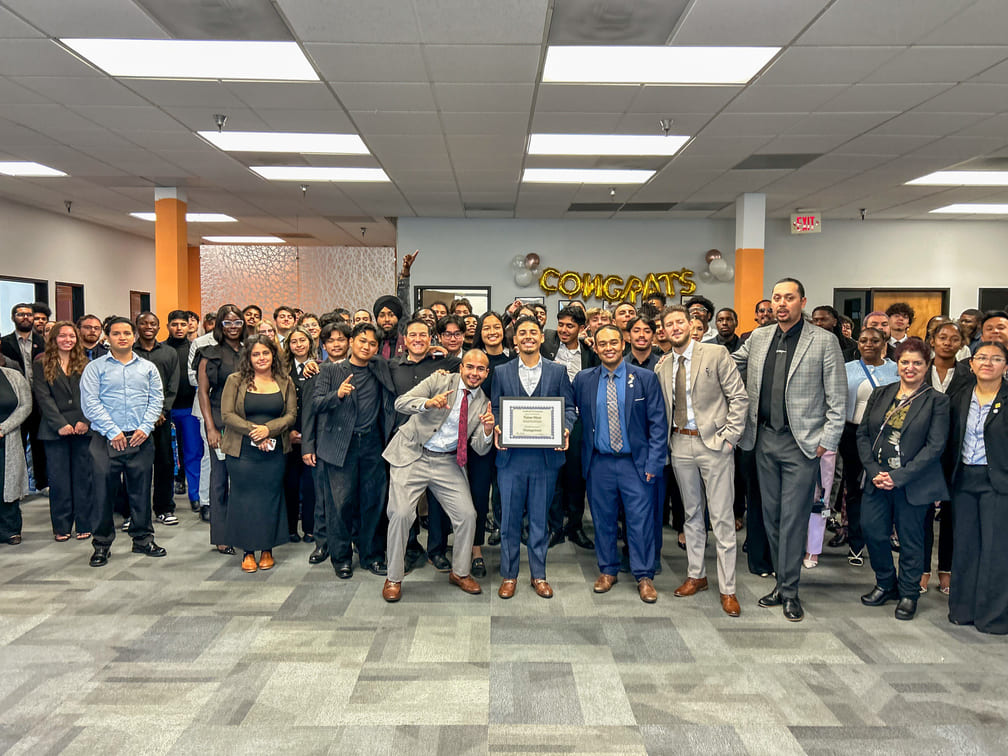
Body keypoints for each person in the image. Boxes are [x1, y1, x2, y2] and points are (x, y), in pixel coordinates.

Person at [732, 278, 847, 622]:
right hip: (763, 439)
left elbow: (838, 399)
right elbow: (729, 365)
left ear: (802, 302)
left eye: (789, 298)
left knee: (794, 518)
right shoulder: (759, 337)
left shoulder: (823, 341)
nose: (781, 303)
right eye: (776, 298)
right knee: (771, 516)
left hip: (801, 444)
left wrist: (827, 441)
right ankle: (781, 585)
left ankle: (791, 591)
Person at [381, 350, 496, 601]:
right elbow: (400, 403)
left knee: (467, 515)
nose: (474, 373)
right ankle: (394, 577)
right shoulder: (439, 380)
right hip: (413, 453)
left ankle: (460, 572)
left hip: (447, 461)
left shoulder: (482, 401)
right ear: (461, 367)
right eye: (470, 367)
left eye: (480, 369)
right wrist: (427, 403)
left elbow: (479, 447)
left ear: (487, 373)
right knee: (400, 514)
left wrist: (488, 430)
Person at [657, 306, 748, 616]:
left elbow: (739, 398)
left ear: (691, 324)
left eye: (679, 322)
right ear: (664, 331)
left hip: (714, 444)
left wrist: (730, 437)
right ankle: (696, 575)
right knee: (692, 514)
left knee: (721, 518)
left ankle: (728, 588)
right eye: (669, 324)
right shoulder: (663, 365)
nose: (675, 327)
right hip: (680, 443)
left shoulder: (716, 354)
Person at [572, 323, 667, 603]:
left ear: (623, 344)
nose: (609, 348)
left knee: (640, 522)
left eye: (613, 342)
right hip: (599, 463)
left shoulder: (645, 378)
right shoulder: (584, 379)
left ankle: (644, 576)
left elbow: (658, 424)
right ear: (595, 347)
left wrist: (653, 464)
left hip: (635, 464)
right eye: (602, 344)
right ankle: (608, 570)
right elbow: (570, 412)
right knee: (603, 520)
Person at [856, 338, 949, 621]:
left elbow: (935, 446)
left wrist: (898, 477)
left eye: (917, 363)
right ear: (897, 364)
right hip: (877, 479)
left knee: (911, 539)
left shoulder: (937, 401)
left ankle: (909, 592)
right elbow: (863, 434)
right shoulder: (880, 394)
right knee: (872, 530)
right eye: (905, 362)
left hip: (912, 482)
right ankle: (886, 583)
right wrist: (874, 471)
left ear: (927, 366)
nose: (910, 368)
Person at [491, 315, 576, 600]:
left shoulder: (558, 371)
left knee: (540, 519)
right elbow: (496, 408)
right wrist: (498, 425)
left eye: (533, 332)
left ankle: (539, 575)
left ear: (541, 337)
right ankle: (509, 575)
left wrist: (565, 428)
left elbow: (569, 409)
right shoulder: (501, 372)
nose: (528, 336)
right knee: (509, 520)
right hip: (511, 459)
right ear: (514, 340)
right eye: (522, 332)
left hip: (544, 459)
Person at [303, 323, 396, 579]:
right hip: (340, 445)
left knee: (373, 503)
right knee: (340, 505)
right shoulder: (330, 370)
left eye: (372, 344)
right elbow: (316, 403)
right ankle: (341, 558)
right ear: (351, 342)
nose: (367, 347)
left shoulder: (379, 367)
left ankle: (372, 556)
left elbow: (404, 362)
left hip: (372, 444)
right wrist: (338, 395)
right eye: (362, 341)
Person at [80, 317, 166, 567]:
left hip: (140, 437)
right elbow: (90, 403)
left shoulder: (148, 368)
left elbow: (156, 400)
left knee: (141, 492)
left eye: (127, 333)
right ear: (107, 337)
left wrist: (145, 427)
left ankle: (143, 539)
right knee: (103, 494)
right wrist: (112, 431)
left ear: (134, 336)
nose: (122, 337)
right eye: (116, 333)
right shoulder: (94, 368)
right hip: (106, 439)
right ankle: (101, 544)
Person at [220, 335, 297, 573]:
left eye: (265, 353)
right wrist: (256, 432)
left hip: (274, 452)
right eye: (256, 354)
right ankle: (248, 551)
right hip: (242, 450)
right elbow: (227, 415)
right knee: (244, 499)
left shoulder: (285, 380)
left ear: (273, 355)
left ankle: (267, 549)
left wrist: (268, 430)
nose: (261, 358)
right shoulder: (235, 380)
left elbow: (291, 415)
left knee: (270, 498)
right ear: (248, 357)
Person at [946, 341, 1008, 634]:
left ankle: (992, 617)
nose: (988, 363)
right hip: (963, 479)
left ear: (1005, 366)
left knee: (996, 549)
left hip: (998, 482)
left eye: (996, 359)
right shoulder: (959, 396)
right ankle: (963, 609)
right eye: (981, 357)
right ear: (971, 364)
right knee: (965, 546)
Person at [835, 328, 898, 565]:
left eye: (874, 340)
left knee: (883, 488)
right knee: (854, 489)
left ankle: (880, 539)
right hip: (852, 434)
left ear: (884, 344)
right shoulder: (847, 369)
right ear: (858, 344)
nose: (868, 344)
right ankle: (856, 543)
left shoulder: (895, 370)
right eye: (863, 340)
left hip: (885, 436)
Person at [33, 322, 95, 540]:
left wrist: (85, 420)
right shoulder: (41, 363)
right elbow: (43, 397)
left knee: (83, 478)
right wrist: (60, 423)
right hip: (54, 430)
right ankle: (62, 526)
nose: (67, 340)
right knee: (59, 480)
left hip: (82, 428)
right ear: (53, 338)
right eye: (62, 336)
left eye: (71, 336)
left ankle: (85, 523)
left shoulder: (86, 363)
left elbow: (92, 394)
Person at [542, 306, 597, 549]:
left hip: (578, 419)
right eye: (561, 324)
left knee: (576, 476)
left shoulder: (589, 352)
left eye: (570, 326)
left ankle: (575, 526)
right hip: (549, 418)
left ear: (582, 328)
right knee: (553, 475)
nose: (564, 330)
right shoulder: (547, 343)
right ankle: (554, 527)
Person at [196, 305, 245, 554]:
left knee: (244, 479)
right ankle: (221, 535)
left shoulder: (251, 351)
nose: (233, 327)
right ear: (219, 326)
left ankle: (242, 530)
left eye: (237, 322)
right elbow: (203, 393)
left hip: (247, 421)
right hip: (219, 420)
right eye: (227, 323)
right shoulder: (209, 354)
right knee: (220, 479)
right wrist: (211, 428)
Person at [922, 321, 966, 593]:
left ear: (962, 344)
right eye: (943, 337)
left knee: (951, 514)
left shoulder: (968, 375)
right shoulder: (919, 370)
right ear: (932, 341)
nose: (948, 342)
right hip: (923, 450)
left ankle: (946, 569)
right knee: (922, 514)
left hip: (956, 451)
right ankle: (922, 570)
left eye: (954, 338)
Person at [133, 312, 180, 527]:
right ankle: (134, 512)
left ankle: (164, 508)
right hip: (135, 419)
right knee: (136, 467)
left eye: (153, 323)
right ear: (137, 326)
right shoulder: (130, 352)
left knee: (164, 463)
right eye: (144, 323)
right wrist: (145, 415)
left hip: (161, 418)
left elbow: (173, 385)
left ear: (159, 327)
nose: (148, 327)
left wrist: (161, 411)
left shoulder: (169, 353)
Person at [1, 302, 46, 491]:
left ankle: (42, 483)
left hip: (40, 400)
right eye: (21, 314)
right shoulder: (5, 342)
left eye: (29, 314)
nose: (26, 317)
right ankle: (19, 486)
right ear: (13, 318)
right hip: (16, 400)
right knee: (17, 444)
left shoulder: (43, 342)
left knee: (39, 443)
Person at [282, 326, 320, 544]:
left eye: (302, 340)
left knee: (311, 484)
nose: (299, 345)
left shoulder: (318, 368)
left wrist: (309, 435)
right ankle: (289, 528)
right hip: (289, 433)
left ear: (310, 342)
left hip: (312, 434)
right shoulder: (282, 371)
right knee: (290, 483)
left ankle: (310, 528)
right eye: (294, 341)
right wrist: (288, 432)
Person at [165, 310, 201, 511]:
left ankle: (195, 496)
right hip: (166, 411)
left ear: (189, 326)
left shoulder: (196, 349)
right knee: (167, 456)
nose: (179, 328)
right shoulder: (160, 350)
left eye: (183, 324)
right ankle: (166, 499)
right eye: (174, 324)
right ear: (168, 326)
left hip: (190, 409)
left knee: (193, 453)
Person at [0, 363, 32, 545]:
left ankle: (10, 529)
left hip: (8, 437)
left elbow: (25, 406)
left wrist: (3, 428)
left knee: (8, 483)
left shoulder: (13, 376)